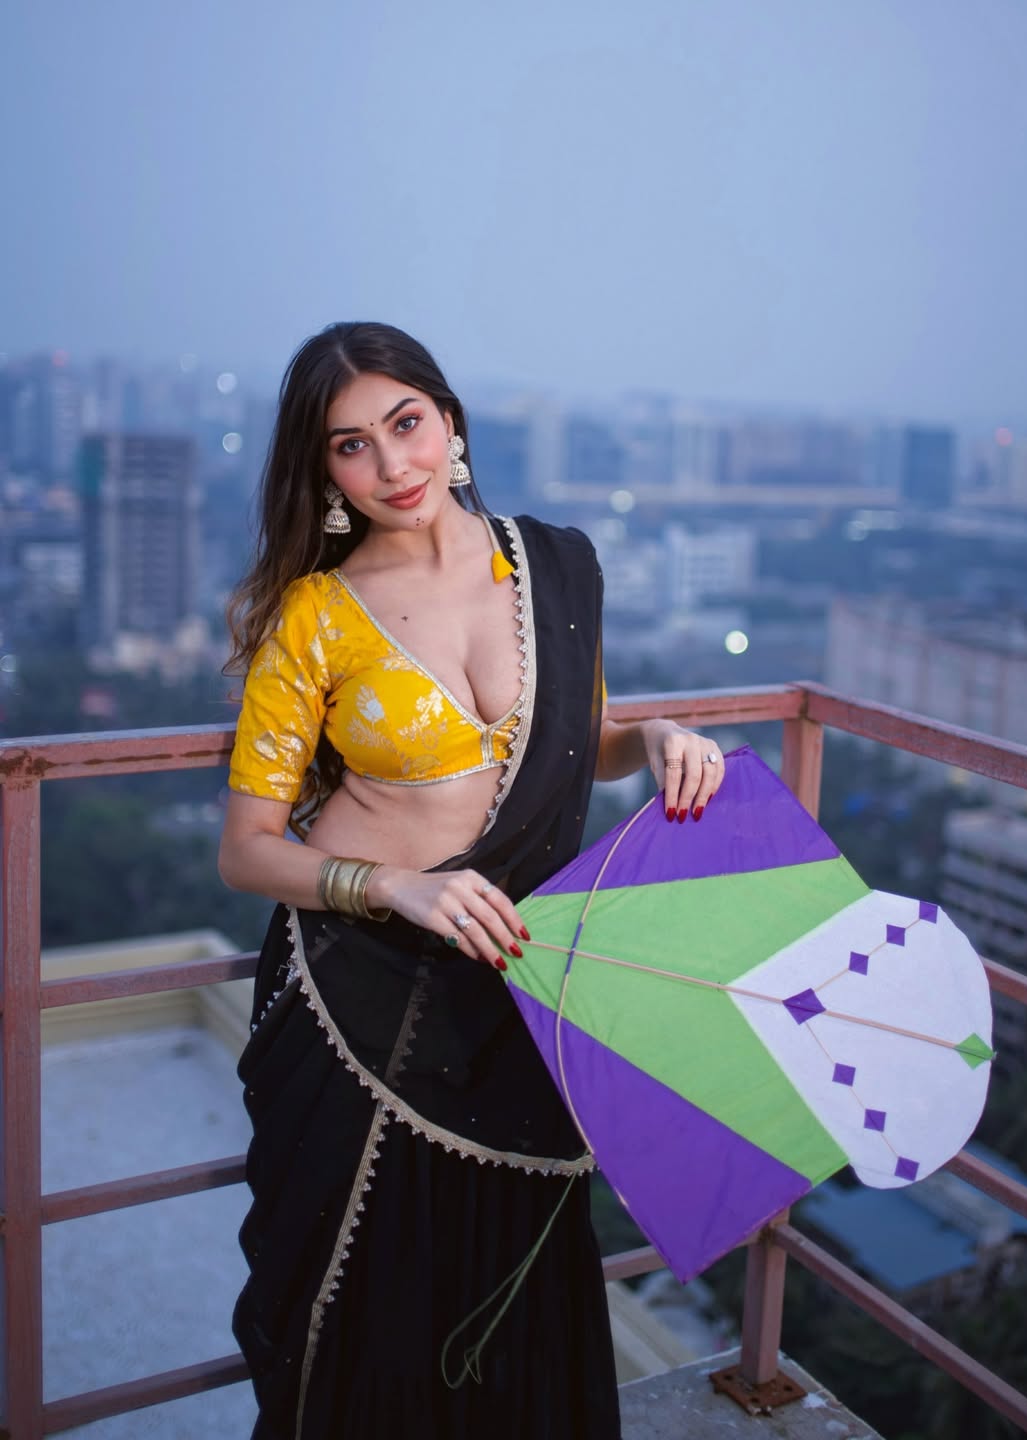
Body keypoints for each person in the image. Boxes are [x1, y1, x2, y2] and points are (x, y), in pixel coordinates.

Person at [219, 321, 726, 1439]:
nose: (392, 464)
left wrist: (655, 739)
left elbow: (576, 738)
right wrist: (394, 887)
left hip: (517, 981)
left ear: (449, 422)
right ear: (324, 472)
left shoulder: (555, 566)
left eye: (405, 423)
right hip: (358, 996)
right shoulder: (316, 616)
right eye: (351, 445)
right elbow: (248, 847)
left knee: (510, 1303)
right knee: (370, 1318)